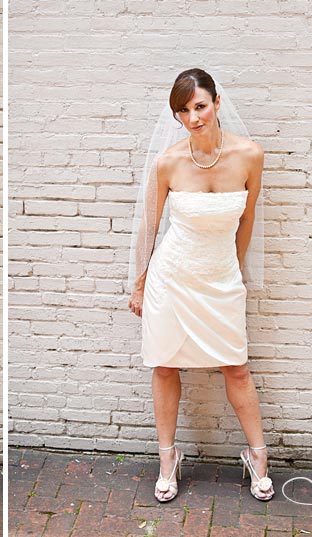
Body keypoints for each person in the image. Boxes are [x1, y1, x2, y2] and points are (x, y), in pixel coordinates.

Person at [128, 68, 273, 503]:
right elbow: (150, 227)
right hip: (171, 277)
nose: (193, 117)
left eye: (200, 106)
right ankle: (168, 458)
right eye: (183, 111)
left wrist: (238, 269)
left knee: (236, 367)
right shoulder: (168, 162)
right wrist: (139, 284)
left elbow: (247, 219)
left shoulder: (250, 155)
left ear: (216, 102)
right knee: (165, 365)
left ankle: (258, 456)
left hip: (220, 276)